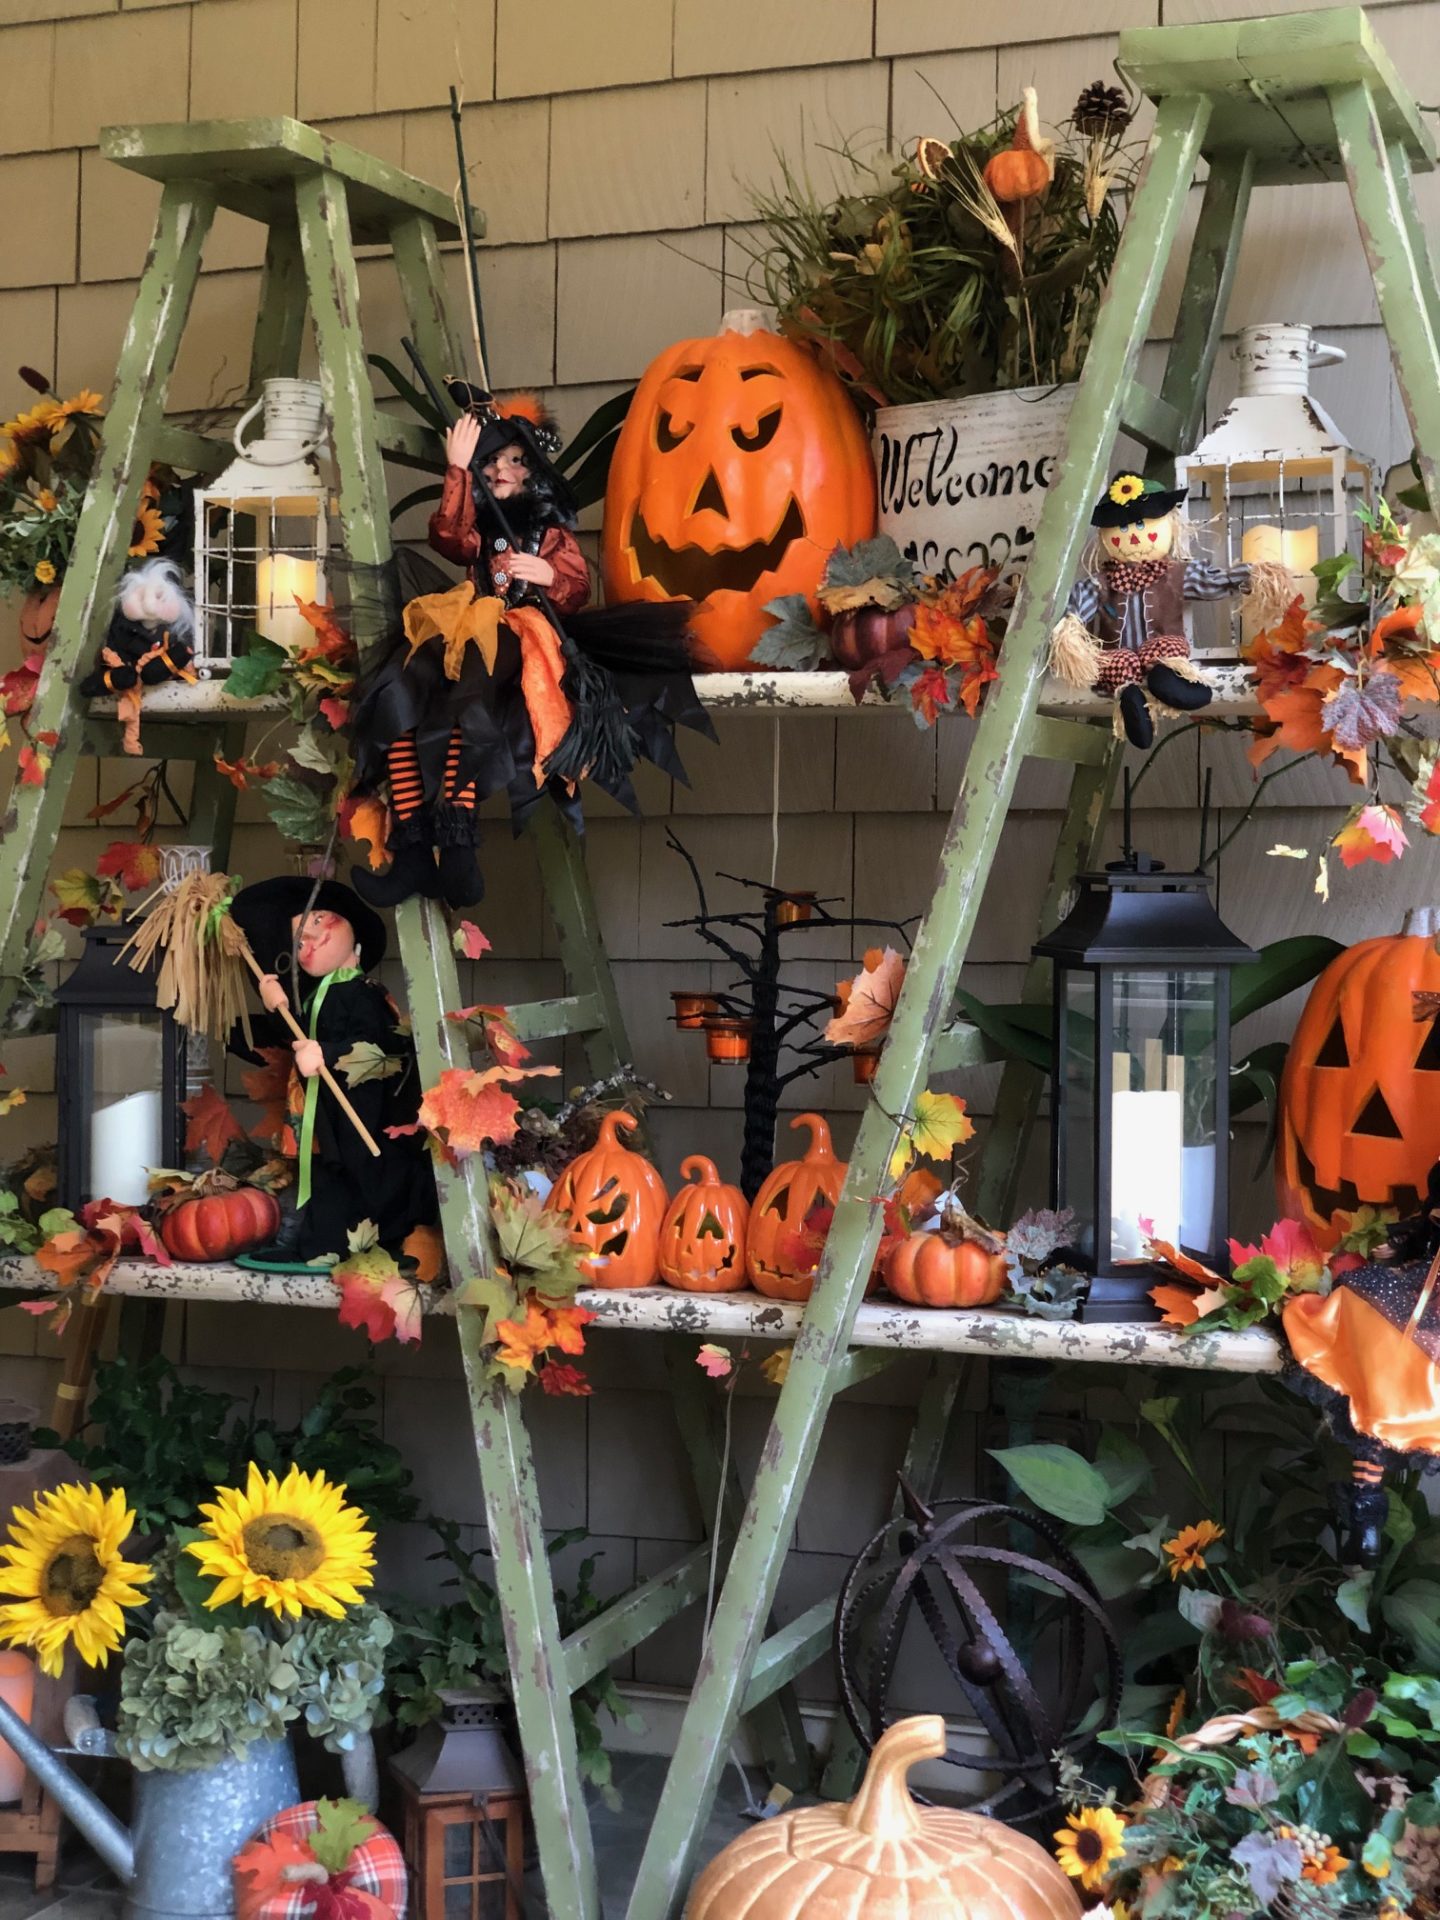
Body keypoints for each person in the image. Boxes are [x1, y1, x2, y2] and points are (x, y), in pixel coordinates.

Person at [349, 388, 712, 910]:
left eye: (515, 461)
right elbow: (451, 540)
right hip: (464, 622)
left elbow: (576, 586)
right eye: (492, 461)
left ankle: (455, 841)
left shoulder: (549, 532)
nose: (502, 470)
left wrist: (546, 574)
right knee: (400, 687)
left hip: (523, 631)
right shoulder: (484, 529)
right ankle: (410, 847)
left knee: (470, 700)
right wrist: (456, 472)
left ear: (533, 471)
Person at [226, 877, 436, 1270]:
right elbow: (292, 1034)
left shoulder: (365, 994)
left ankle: (382, 1239)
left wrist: (328, 1053)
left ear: (353, 929)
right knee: (325, 1178)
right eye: (299, 942)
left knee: (365, 1177)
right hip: (326, 1117)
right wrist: (274, 1003)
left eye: (319, 920)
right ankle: (320, 1243)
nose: (310, 938)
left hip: (365, 1115)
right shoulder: (312, 998)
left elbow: (382, 1046)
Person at [1049, 472, 1293, 748]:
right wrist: (1070, 629)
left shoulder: (1175, 574)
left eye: (1141, 524)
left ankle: (1167, 680)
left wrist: (1253, 575)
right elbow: (1079, 605)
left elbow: (1214, 581)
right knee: (1117, 665)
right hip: (1117, 654)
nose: (1133, 535)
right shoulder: (1102, 583)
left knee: (1166, 649)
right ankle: (1131, 701)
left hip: (1161, 647)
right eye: (1123, 528)